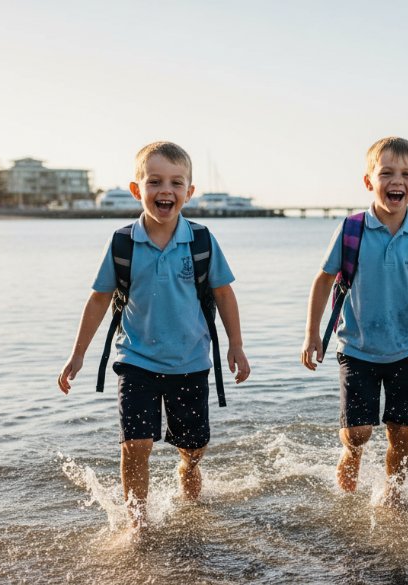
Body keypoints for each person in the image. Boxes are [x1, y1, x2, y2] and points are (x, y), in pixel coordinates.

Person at [58, 141, 250, 529]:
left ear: (189, 192)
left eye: (177, 183)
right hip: (136, 360)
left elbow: (223, 293)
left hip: (191, 361)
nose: (166, 190)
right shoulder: (123, 243)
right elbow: (99, 300)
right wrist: (77, 354)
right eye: (156, 181)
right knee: (135, 446)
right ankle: (137, 523)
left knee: (192, 447)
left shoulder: (201, 241)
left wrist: (236, 345)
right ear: (137, 189)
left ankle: (190, 472)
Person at [301, 136, 408, 507]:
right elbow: (323, 280)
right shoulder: (352, 230)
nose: (397, 181)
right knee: (359, 432)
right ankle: (350, 460)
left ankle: (393, 497)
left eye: (406, 174)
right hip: (357, 347)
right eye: (387, 173)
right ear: (369, 182)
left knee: (402, 433)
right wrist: (312, 333)